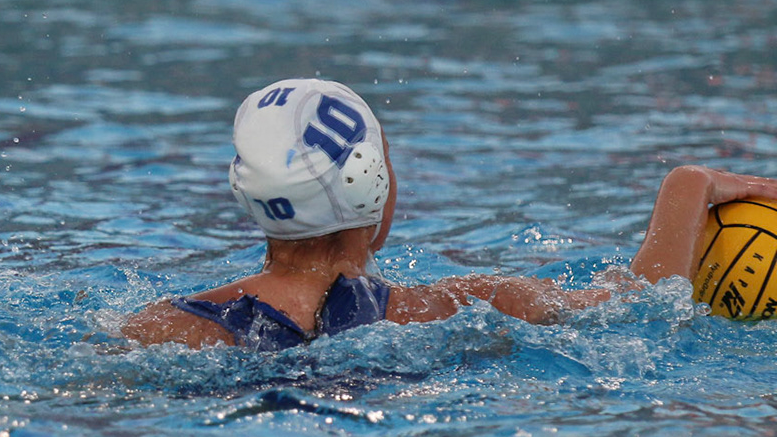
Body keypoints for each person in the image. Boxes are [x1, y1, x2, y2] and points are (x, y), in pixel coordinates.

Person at [121, 77, 777, 350]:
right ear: (374, 185)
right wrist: (688, 184)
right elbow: (643, 302)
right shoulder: (457, 306)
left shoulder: (161, 327)